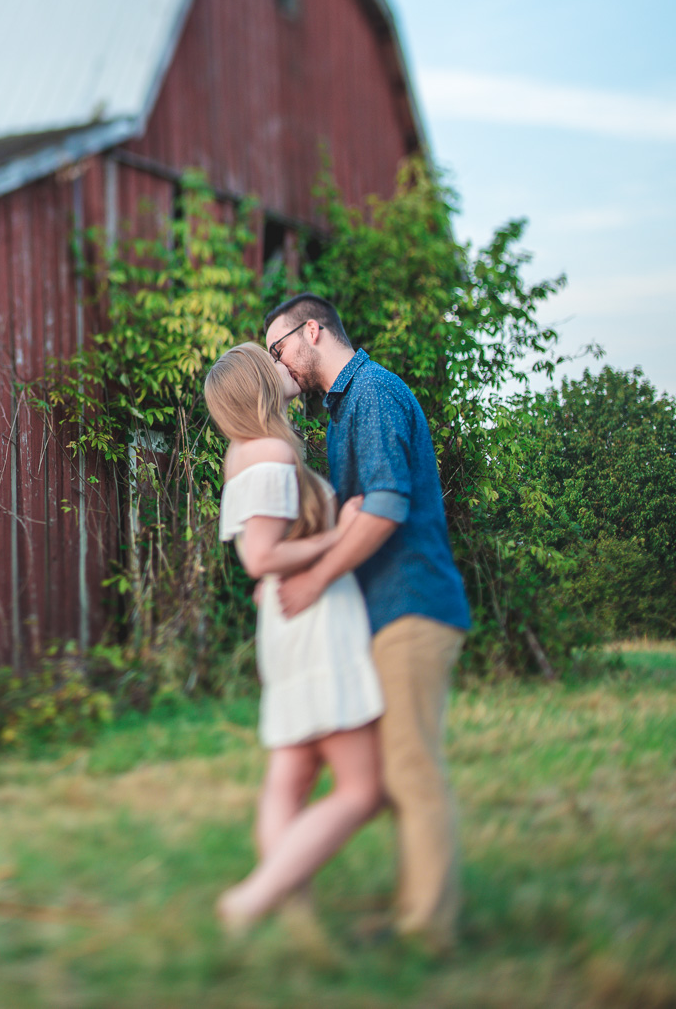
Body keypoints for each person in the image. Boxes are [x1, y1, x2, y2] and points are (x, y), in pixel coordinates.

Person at [265, 293, 471, 950]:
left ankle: (428, 930)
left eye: (279, 349)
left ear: (314, 330)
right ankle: (413, 910)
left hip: (412, 605)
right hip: (385, 614)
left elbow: (383, 508)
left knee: (412, 771)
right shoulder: (343, 407)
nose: (279, 365)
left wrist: (317, 578)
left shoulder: (374, 394)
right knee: (387, 776)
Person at [203, 342, 385, 934]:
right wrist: (342, 536)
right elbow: (261, 557)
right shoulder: (274, 453)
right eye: (273, 361)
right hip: (313, 622)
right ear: (260, 382)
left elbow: (262, 549)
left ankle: (294, 917)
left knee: (294, 776)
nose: (287, 367)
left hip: (286, 623)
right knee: (363, 789)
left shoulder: (245, 452)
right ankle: (255, 899)